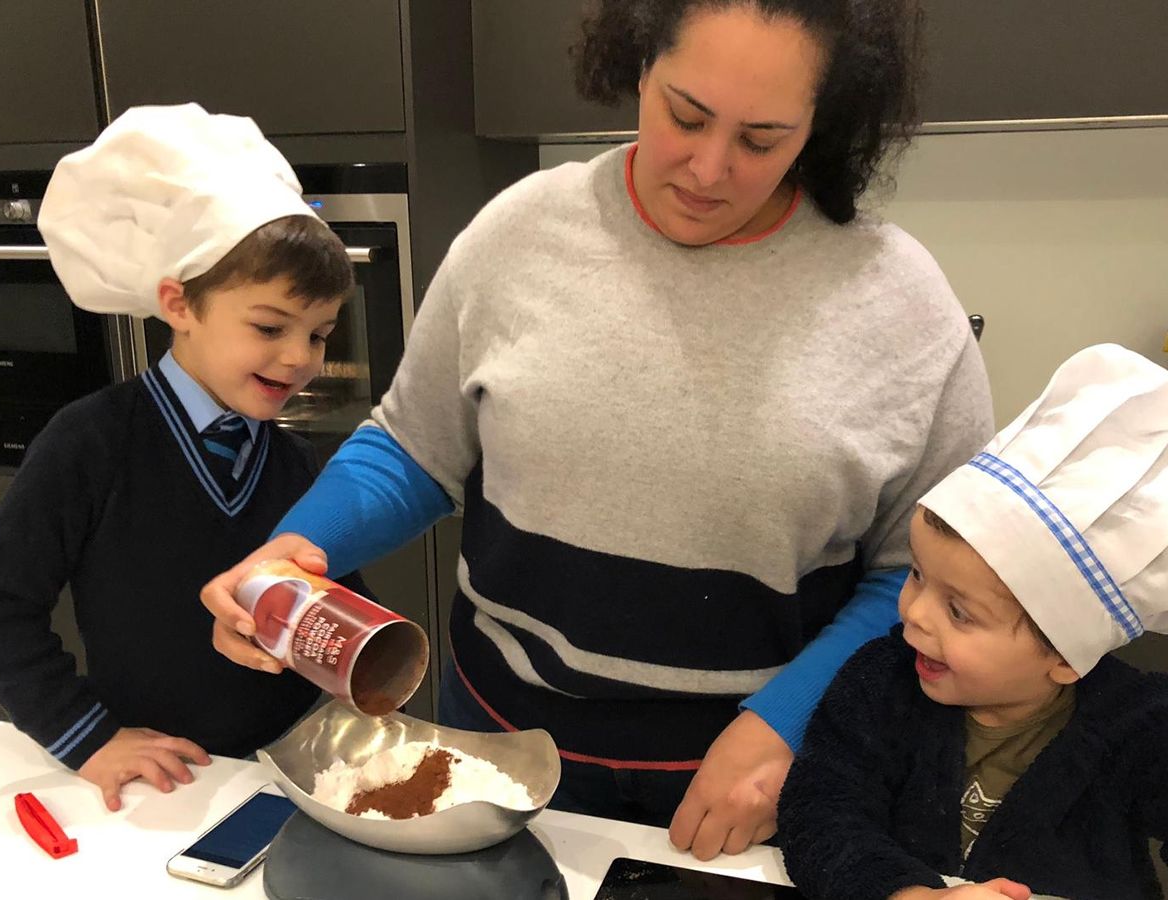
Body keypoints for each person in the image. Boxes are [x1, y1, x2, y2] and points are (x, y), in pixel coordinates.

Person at [201, 0, 993, 856]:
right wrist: (297, 546)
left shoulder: (900, 303)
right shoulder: (519, 232)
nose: (708, 167)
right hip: (497, 755)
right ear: (639, 68)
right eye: (684, 116)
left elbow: (917, 575)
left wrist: (782, 728)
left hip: (746, 781)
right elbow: (412, 450)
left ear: (821, 123)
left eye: (761, 139)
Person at [0, 104, 365, 811]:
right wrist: (87, 736)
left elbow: (339, 614)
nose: (300, 357)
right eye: (270, 326)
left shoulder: (298, 462)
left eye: (321, 334)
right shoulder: (92, 442)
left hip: (283, 775)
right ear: (180, 304)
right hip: (157, 779)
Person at [777, 343, 1168, 900]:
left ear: (1064, 656)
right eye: (916, 574)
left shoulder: (1140, 725)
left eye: (959, 611)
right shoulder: (880, 681)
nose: (912, 613)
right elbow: (819, 812)